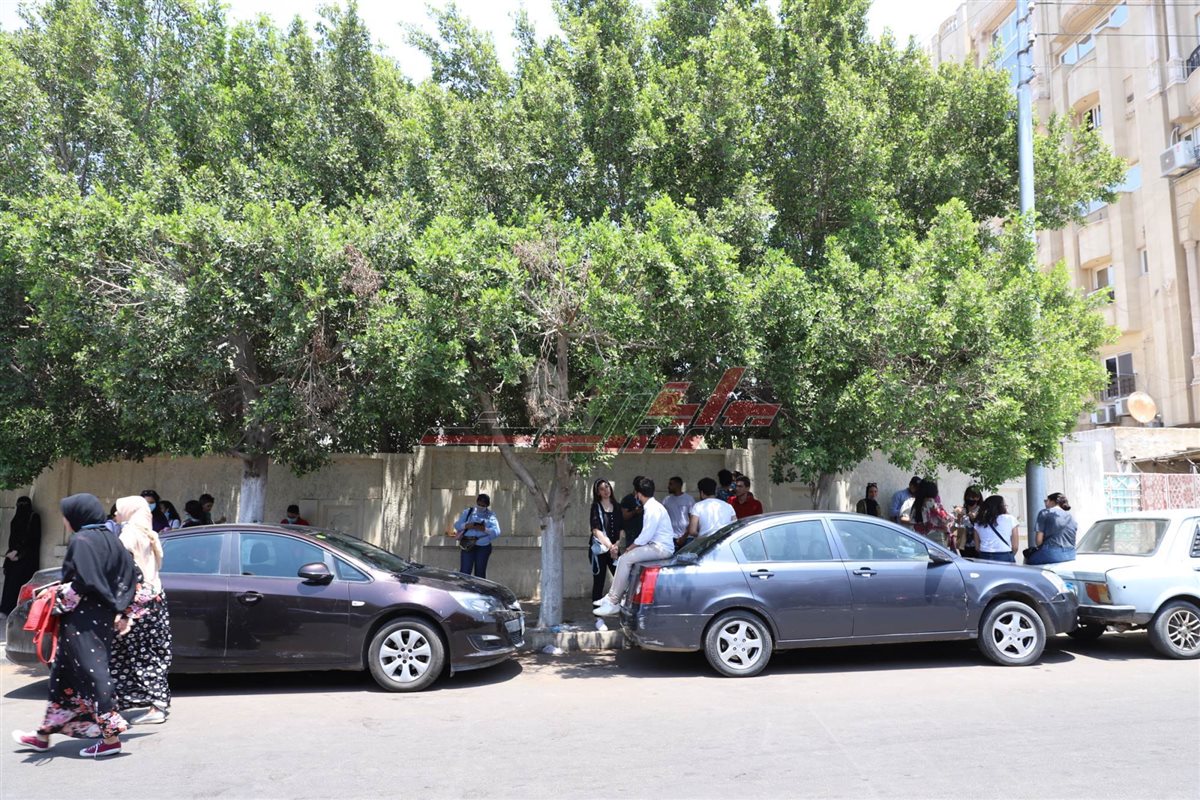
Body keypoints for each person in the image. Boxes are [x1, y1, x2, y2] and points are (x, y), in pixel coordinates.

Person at [11, 494, 137, 758]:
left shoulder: (82, 540)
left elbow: (83, 582)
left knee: (94, 673)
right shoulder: (111, 539)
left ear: (77, 515)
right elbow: (133, 574)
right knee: (63, 675)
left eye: (65, 515)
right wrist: (122, 609)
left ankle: (110, 738)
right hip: (100, 617)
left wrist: (55, 598)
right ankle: (43, 734)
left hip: (82, 619)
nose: (64, 521)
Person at [110, 496, 172, 724]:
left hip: (138, 604)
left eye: (119, 509)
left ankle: (156, 707)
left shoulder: (129, 534)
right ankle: (137, 703)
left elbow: (126, 571)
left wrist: (122, 608)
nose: (115, 514)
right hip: (153, 599)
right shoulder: (147, 532)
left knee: (141, 655)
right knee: (144, 654)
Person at [594, 477, 674, 617]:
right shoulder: (653, 506)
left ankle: (613, 601)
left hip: (660, 548)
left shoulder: (652, 508)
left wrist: (630, 547)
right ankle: (614, 598)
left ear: (638, 494)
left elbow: (646, 535)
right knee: (626, 560)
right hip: (656, 546)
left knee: (624, 559)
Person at [588, 479, 623, 629]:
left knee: (622, 581)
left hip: (615, 549)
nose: (606, 490)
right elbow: (596, 530)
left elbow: (621, 528)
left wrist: (617, 545)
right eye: (602, 489)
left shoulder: (617, 506)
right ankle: (598, 619)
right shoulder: (595, 507)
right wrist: (610, 547)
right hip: (600, 550)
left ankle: (624, 614)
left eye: (607, 487)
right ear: (598, 492)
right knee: (599, 583)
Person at [1, 496, 41, 616]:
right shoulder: (17, 518)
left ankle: (18, 611)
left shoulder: (33, 517)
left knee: (21, 585)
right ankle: (7, 609)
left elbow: (32, 539)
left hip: (26, 559)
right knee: (11, 585)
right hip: (13, 558)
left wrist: (18, 553)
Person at [453, 493, 501, 579]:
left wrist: (484, 529)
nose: (480, 507)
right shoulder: (468, 512)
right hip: (468, 544)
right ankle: (463, 587)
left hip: (483, 547)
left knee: (480, 573)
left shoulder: (491, 515)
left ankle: (478, 588)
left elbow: (496, 532)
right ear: (476, 502)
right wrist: (467, 525)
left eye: (483, 505)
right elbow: (457, 525)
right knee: (465, 572)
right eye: (479, 504)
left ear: (487, 505)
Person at [1027, 493, 1078, 565]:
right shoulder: (1070, 517)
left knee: (1028, 560)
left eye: (1046, 501)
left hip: (1051, 553)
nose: (1045, 503)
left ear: (1050, 501)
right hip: (1071, 554)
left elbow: (1038, 541)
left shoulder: (1045, 513)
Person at [973, 495, 1019, 562]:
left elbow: (977, 547)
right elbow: (1015, 547)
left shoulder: (979, 521)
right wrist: (1010, 556)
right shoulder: (1010, 519)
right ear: (1001, 506)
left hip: (984, 556)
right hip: (1004, 555)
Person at [911, 479, 953, 549]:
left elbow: (913, 521)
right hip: (936, 537)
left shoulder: (916, 504)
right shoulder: (932, 503)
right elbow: (946, 519)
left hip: (920, 538)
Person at [660, 476, 695, 550]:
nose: (668, 486)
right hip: (672, 537)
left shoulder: (689, 499)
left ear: (678, 485)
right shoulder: (666, 500)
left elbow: (692, 520)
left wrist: (684, 537)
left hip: (687, 538)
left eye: (671, 484)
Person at [953, 486, 984, 557]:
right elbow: (954, 528)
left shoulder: (982, 511)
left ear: (978, 498)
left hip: (978, 546)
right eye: (968, 496)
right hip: (963, 546)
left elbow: (984, 528)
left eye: (973, 497)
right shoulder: (960, 510)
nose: (970, 499)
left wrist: (974, 520)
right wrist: (958, 519)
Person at [619, 477, 645, 554]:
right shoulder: (627, 499)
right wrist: (635, 511)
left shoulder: (644, 499)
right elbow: (624, 516)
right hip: (632, 534)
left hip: (643, 534)